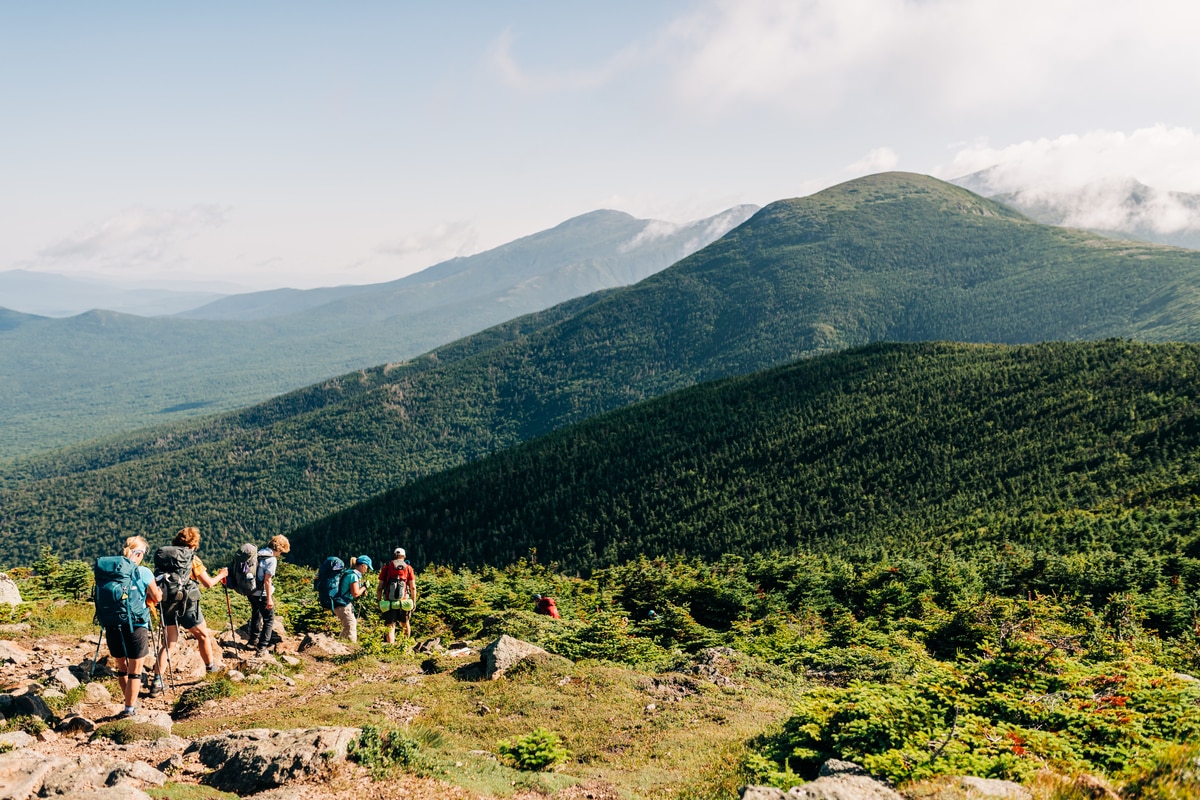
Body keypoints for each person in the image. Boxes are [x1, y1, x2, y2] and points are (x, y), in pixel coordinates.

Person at [149, 527, 228, 696]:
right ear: (194, 543)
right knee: (203, 635)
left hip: (166, 602)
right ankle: (210, 668)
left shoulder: (164, 557)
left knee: (169, 643)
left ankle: (156, 681)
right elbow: (208, 583)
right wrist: (221, 575)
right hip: (187, 604)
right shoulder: (192, 558)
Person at [100, 536, 162, 717]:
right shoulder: (143, 572)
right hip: (136, 624)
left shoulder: (109, 571)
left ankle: (130, 702)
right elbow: (156, 597)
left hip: (112, 623)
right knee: (136, 669)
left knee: (122, 667)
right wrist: (159, 591)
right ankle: (130, 708)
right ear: (140, 553)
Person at [247, 534, 290, 659]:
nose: (281, 554)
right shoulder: (271, 559)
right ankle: (262, 648)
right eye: (282, 551)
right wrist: (269, 599)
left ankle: (252, 641)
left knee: (256, 613)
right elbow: (267, 580)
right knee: (269, 619)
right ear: (280, 548)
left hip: (251, 592)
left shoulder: (259, 553)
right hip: (262, 593)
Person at [376, 547, 417, 643]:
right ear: (404, 556)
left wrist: (379, 601)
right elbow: (413, 587)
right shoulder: (408, 568)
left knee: (390, 626)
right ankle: (406, 645)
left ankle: (391, 647)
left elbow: (379, 587)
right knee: (405, 623)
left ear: (394, 556)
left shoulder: (386, 567)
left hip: (389, 602)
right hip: (404, 601)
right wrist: (413, 602)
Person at [334, 555, 372, 642]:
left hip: (340, 603)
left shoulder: (349, 572)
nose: (367, 570)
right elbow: (355, 594)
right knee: (351, 625)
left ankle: (341, 645)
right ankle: (350, 646)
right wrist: (364, 587)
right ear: (363, 566)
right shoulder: (353, 576)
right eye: (367, 567)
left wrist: (361, 590)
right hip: (343, 604)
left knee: (347, 626)